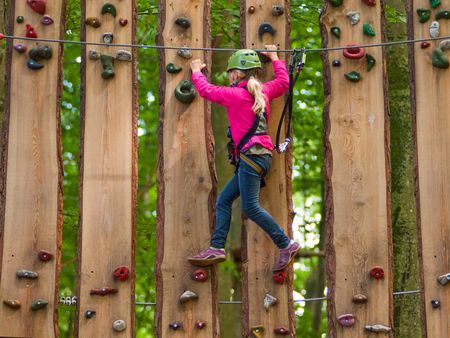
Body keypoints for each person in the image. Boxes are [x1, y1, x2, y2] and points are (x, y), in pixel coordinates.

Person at [188, 45, 300, 271]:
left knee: (250, 208)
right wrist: (275, 58)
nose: (229, 76)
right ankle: (217, 247)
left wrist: (196, 71)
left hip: (251, 157)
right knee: (224, 200)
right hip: (259, 157)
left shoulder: (235, 95)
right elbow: (283, 82)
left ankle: (286, 243)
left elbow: (207, 91)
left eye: (231, 72)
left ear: (237, 73)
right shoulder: (264, 91)